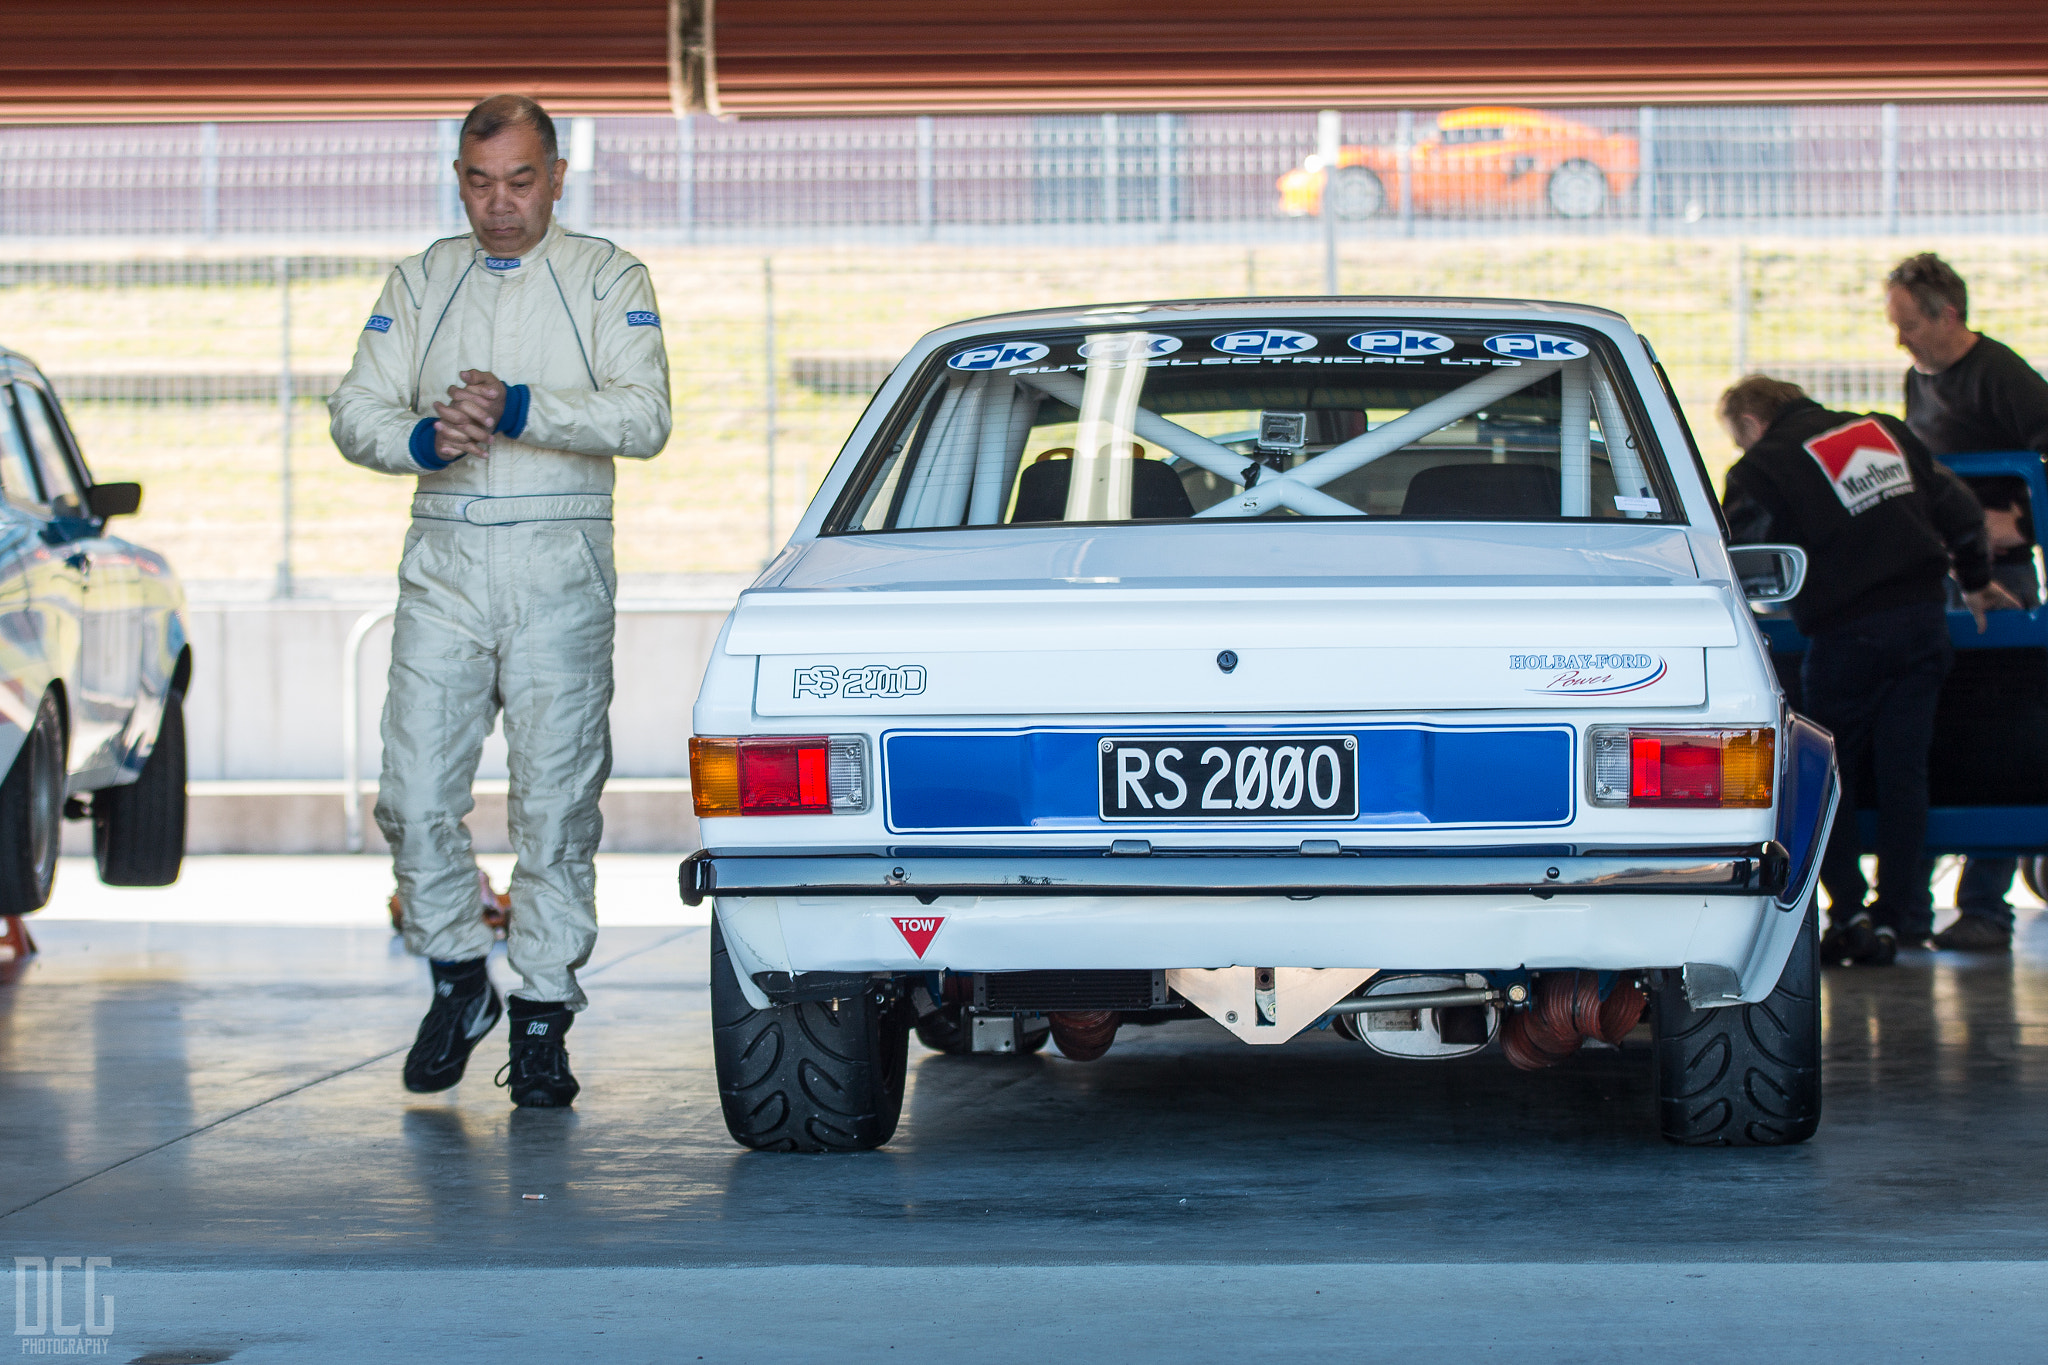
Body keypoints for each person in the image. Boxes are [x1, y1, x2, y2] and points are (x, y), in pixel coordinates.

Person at [329, 95, 671, 1104]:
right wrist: (424, 441)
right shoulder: (422, 279)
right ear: (458, 179)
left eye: (520, 180)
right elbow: (355, 409)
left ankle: (541, 1013)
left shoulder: (609, 277)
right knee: (412, 792)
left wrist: (520, 408)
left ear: (556, 177)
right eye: (479, 182)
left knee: (556, 804)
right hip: (443, 559)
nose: (499, 203)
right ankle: (454, 978)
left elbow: (645, 416)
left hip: (562, 559)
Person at [1718, 375, 2004, 965]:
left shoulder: (1763, 467)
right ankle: (1903, 914)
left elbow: (1738, 561)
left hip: (1847, 634)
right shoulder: (1881, 431)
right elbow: (1961, 511)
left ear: (1750, 425)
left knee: (1829, 775)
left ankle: (1847, 913)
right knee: (1905, 772)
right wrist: (1974, 582)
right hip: (1924, 620)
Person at [1886, 252, 2048, 952]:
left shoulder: (2002, 377)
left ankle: (1986, 903)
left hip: (2002, 574)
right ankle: (1913, 903)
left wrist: (2022, 524)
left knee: (2001, 725)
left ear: (1947, 314)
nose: (1900, 337)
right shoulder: (1918, 381)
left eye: (1908, 322)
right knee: (1939, 721)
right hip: (1944, 568)